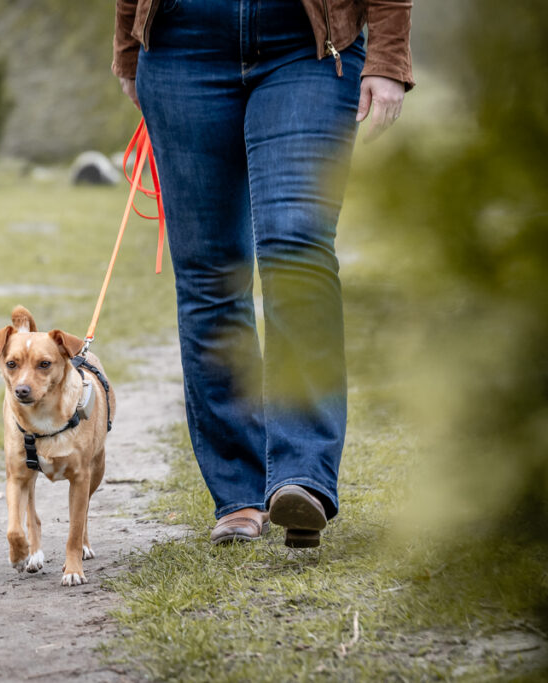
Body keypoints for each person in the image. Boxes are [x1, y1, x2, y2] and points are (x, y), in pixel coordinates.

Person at [113, 0, 413, 547]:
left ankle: (303, 476)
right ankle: (239, 494)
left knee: (297, 248)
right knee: (209, 272)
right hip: (182, 46)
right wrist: (129, 44)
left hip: (308, 47)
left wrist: (389, 54)